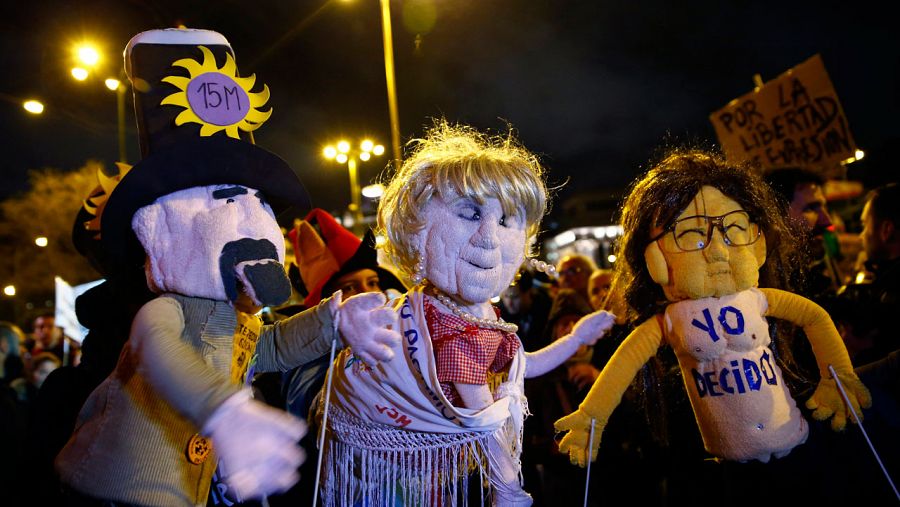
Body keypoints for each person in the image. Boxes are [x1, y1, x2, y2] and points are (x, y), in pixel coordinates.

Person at [317, 121, 616, 506]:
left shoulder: (475, 314)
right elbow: (484, 418)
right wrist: (507, 489)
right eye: (470, 214)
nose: (490, 238)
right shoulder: (451, 328)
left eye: (506, 220)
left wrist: (575, 338)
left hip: (433, 470)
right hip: (394, 470)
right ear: (419, 228)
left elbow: (521, 366)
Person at [556, 149, 871, 503]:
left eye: (732, 229)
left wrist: (838, 378)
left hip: (796, 445)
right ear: (656, 259)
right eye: (693, 235)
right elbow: (626, 362)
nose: (718, 250)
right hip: (722, 472)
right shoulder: (668, 322)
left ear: (757, 242)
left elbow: (814, 316)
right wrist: (591, 417)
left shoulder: (761, 299)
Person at [833, 182, 900, 365]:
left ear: (886, 230)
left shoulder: (889, 297)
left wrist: (857, 351)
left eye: (864, 225)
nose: (861, 236)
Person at [764, 167, 842, 300]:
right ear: (775, 214)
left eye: (824, 207)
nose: (827, 221)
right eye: (810, 208)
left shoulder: (811, 274)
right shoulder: (767, 289)